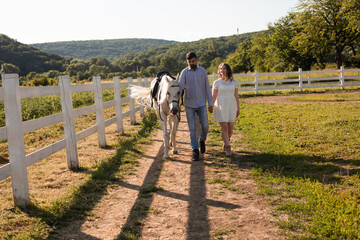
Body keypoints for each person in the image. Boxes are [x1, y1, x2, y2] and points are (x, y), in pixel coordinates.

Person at [179, 52, 213, 161]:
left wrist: (210, 103)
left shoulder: (203, 71)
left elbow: (207, 88)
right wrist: (176, 103)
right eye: (189, 62)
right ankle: (195, 150)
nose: (191, 63)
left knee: (205, 126)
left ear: (196, 60)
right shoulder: (184, 73)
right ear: (187, 62)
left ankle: (202, 140)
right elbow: (180, 89)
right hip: (189, 104)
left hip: (202, 103)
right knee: (192, 128)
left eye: (193, 61)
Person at [212, 63, 240, 156]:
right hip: (220, 105)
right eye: (221, 69)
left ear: (228, 70)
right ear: (219, 71)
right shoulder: (217, 82)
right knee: (225, 127)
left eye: (224, 68)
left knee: (230, 128)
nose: (222, 70)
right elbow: (214, 96)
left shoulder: (234, 82)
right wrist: (210, 106)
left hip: (231, 105)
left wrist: (238, 108)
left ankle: (225, 142)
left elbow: (236, 96)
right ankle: (228, 148)